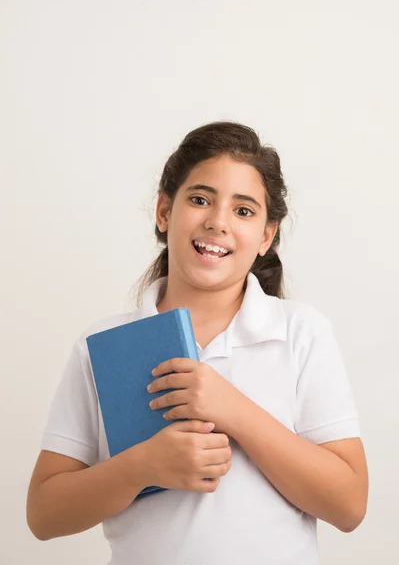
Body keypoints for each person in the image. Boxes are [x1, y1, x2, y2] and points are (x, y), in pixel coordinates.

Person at [26, 121, 369, 564]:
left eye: (244, 210)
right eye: (200, 199)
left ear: (267, 235)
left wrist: (234, 410)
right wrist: (143, 466)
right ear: (164, 211)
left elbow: (349, 505)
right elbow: (44, 514)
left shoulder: (301, 333)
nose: (217, 221)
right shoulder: (103, 346)